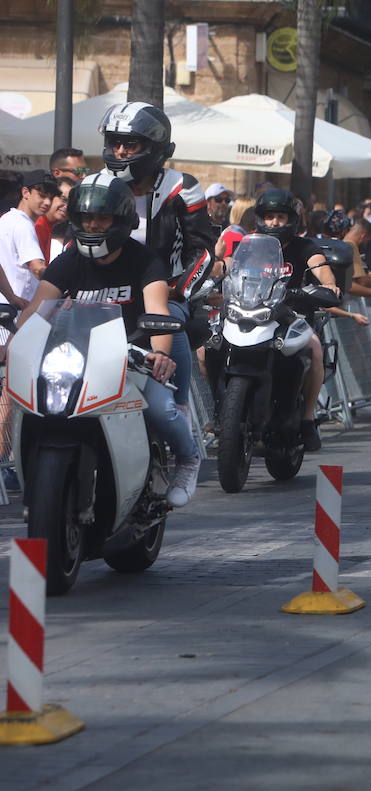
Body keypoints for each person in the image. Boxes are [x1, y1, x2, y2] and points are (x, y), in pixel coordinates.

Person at [24, 174, 201, 506]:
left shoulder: (145, 260)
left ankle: (188, 459)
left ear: (121, 220)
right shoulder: (68, 260)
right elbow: (37, 309)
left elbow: (159, 313)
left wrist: (160, 354)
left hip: (134, 355)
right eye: (86, 217)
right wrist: (14, 342)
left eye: (102, 217)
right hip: (80, 358)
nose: (92, 225)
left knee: (162, 411)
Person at [97, 101, 216, 422]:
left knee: (170, 327)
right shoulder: (95, 185)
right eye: (114, 142)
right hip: (103, 294)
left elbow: (203, 251)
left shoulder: (182, 187)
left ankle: (180, 416)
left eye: (130, 143)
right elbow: (73, 244)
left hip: (165, 293)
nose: (120, 151)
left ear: (155, 148)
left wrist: (177, 290)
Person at [248, 189, 341, 451]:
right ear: (260, 219)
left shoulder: (304, 246)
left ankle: (308, 419)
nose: (274, 222)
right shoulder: (252, 244)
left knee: (314, 349)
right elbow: (233, 268)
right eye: (268, 217)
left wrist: (329, 285)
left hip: (293, 317)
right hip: (253, 315)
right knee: (205, 349)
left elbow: (321, 268)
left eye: (279, 216)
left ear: (291, 219)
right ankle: (223, 412)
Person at [0, 170, 56, 308]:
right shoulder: (23, 224)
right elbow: (37, 268)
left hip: (8, 304)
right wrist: (61, 281)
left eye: (51, 197)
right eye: (42, 196)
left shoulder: (6, 219)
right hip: (19, 308)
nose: (47, 202)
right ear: (25, 192)